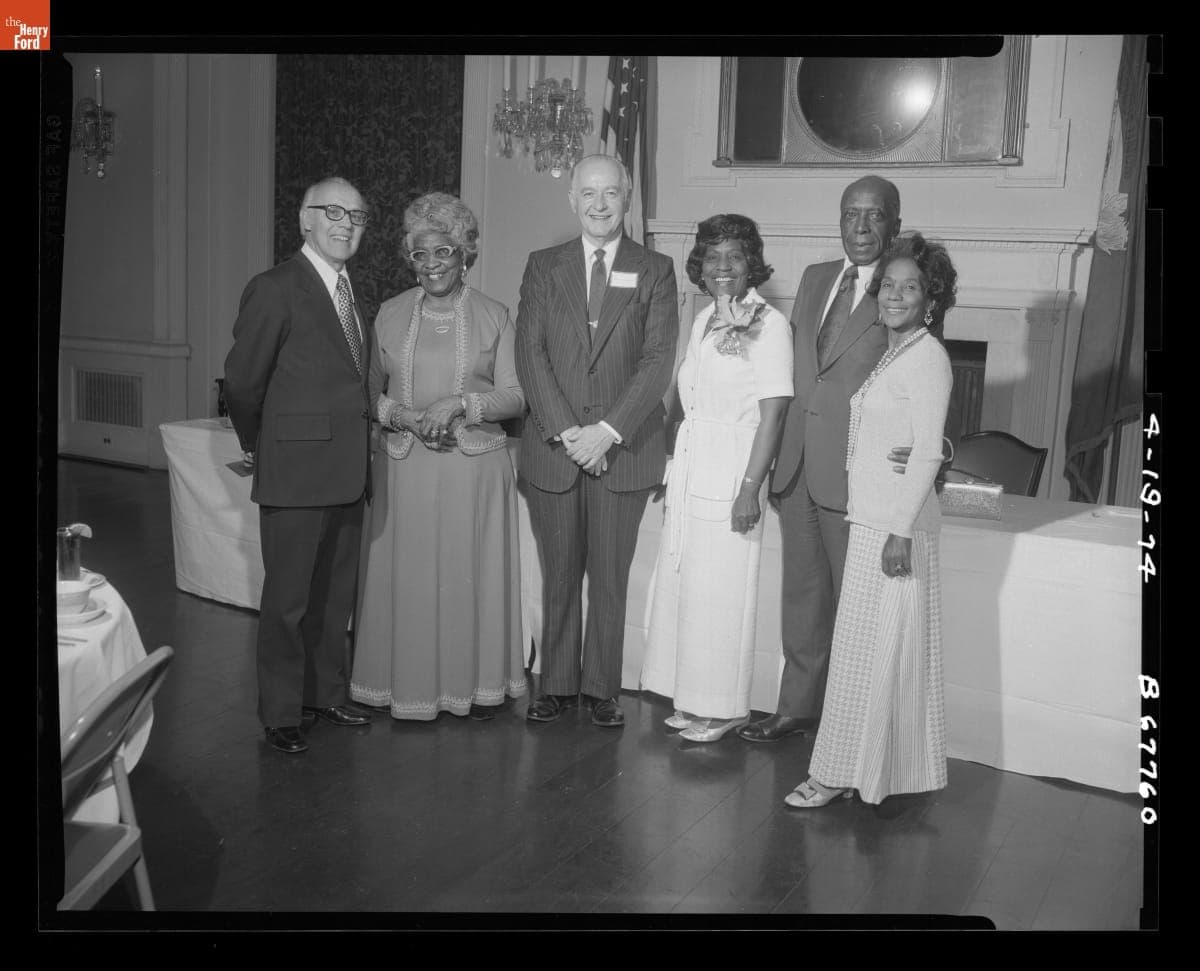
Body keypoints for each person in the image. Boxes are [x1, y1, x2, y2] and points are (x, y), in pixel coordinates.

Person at [784, 233, 955, 807]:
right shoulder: (896, 353)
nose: (895, 295)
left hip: (892, 532)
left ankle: (834, 774)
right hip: (874, 523)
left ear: (931, 300)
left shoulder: (927, 356)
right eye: (889, 285)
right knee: (872, 657)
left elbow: (928, 450)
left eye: (911, 287)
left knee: (863, 660)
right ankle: (865, 771)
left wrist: (900, 532)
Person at [349, 192, 528, 721]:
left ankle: (468, 689)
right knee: (409, 585)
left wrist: (461, 404)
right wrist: (401, 417)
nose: (431, 265)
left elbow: (515, 396)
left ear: (465, 253)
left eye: (443, 252)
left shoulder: (495, 315)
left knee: (463, 583)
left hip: (473, 469)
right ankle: (402, 689)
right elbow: (365, 392)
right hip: (406, 469)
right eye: (420, 255)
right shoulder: (389, 312)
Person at [515, 154, 679, 728]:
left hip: (623, 449)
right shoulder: (543, 266)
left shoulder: (655, 269)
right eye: (589, 193)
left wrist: (606, 432)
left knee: (609, 575)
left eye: (611, 192)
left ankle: (602, 688)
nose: (600, 204)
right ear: (572, 201)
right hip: (555, 447)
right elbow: (529, 352)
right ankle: (555, 684)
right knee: (558, 572)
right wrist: (566, 430)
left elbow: (658, 360)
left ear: (627, 197)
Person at [740, 175, 901, 744]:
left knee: (855, 605)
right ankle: (798, 708)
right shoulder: (814, 278)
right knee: (803, 594)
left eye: (874, 216)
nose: (860, 227)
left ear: (894, 225)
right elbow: (793, 367)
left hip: (855, 473)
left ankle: (851, 724)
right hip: (797, 466)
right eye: (850, 215)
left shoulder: (904, 287)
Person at [223, 176, 374, 755]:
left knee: (334, 601)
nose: (345, 223)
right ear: (305, 219)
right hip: (294, 471)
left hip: (347, 472)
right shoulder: (274, 287)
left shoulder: (353, 293)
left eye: (357, 216)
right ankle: (283, 713)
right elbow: (242, 382)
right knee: (287, 603)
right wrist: (259, 443)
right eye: (333, 211)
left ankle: (326, 694)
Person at [640, 215, 793, 742]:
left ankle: (726, 707)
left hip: (735, 468)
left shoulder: (769, 324)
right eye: (712, 257)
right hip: (693, 462)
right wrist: (672, 465)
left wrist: (750, 487)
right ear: (699, 268)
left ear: (752, 263)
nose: (722, 267)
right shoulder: (704, 317)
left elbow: (773, 414)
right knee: (688, 588)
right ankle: (692, 697)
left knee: (724, 594)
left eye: (734, 256)